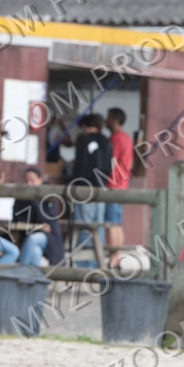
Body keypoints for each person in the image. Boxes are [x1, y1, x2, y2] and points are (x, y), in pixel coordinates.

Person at [71, 113, 112, 268]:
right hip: (101, 188)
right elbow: (108, 166)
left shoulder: (83, 140)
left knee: (84, 226)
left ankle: (84, 263)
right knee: (97, 226)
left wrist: (75, 185)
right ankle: (96, 261)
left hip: (84, 187)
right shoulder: (106, 140)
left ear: (84, 126)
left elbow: (80, 165)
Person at [13, 167, 65, 266]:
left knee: (33, 239)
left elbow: (46, 220)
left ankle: (20, 269)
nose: (29, 183)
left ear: (40, 180)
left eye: (32, 180)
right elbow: (16, 218)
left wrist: (35, 201)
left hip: (50, 235)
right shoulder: (21, 196)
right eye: (26, 180)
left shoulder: (49, 195)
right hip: (27, 233)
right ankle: (33, 275)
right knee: (36, 251)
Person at [105, 107, 134, 265]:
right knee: (117, 222)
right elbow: (130, 163)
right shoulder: (127, 138)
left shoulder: (115, 138)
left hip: (112, 184)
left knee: (111, 223)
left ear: (115, 120)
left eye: (108, 118)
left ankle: (113, 258)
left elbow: (111, 160)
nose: (106, 121)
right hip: (123, 184)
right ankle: (118, 256)